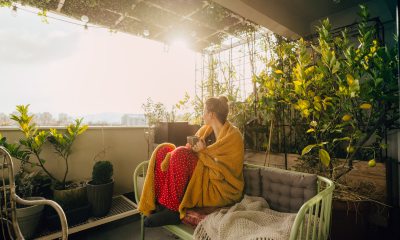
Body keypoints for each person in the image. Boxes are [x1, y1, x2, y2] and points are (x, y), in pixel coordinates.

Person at [138, 96, 244, 227]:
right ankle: (160, 203)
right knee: (163, 151)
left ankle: (172, 210)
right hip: (201, 171)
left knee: (180, 153)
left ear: (211, 114)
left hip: (219, 185)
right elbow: (192, 152)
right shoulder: (206, 130)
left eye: (204, 111)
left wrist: (203, 151)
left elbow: (225, 170)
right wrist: (192, 149)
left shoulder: (234, 136)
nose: (202, 114)